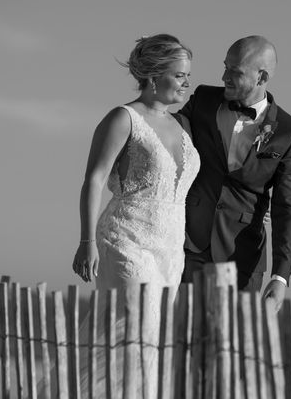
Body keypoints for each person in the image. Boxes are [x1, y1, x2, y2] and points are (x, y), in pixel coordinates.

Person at [70, 33, 200, 397]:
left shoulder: (182, 127)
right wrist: (86, 241)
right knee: (136, 331)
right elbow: (93, 180)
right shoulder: (123, 118)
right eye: (179, 75)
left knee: (154, 341)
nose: (186, 83)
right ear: (154, 77)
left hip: (170, 250)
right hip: (126, 240)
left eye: (188, 75)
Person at [179, 35, 291, 311]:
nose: (224, 76)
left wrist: (280, 276)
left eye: (234, 71)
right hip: (188, 243)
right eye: (225, 66)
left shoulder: (290, 132)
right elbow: (168, 137)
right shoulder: (204, 100)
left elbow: (286, 206)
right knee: (181, 340)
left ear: (261, 77)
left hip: (241, 259)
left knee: (230, 346)